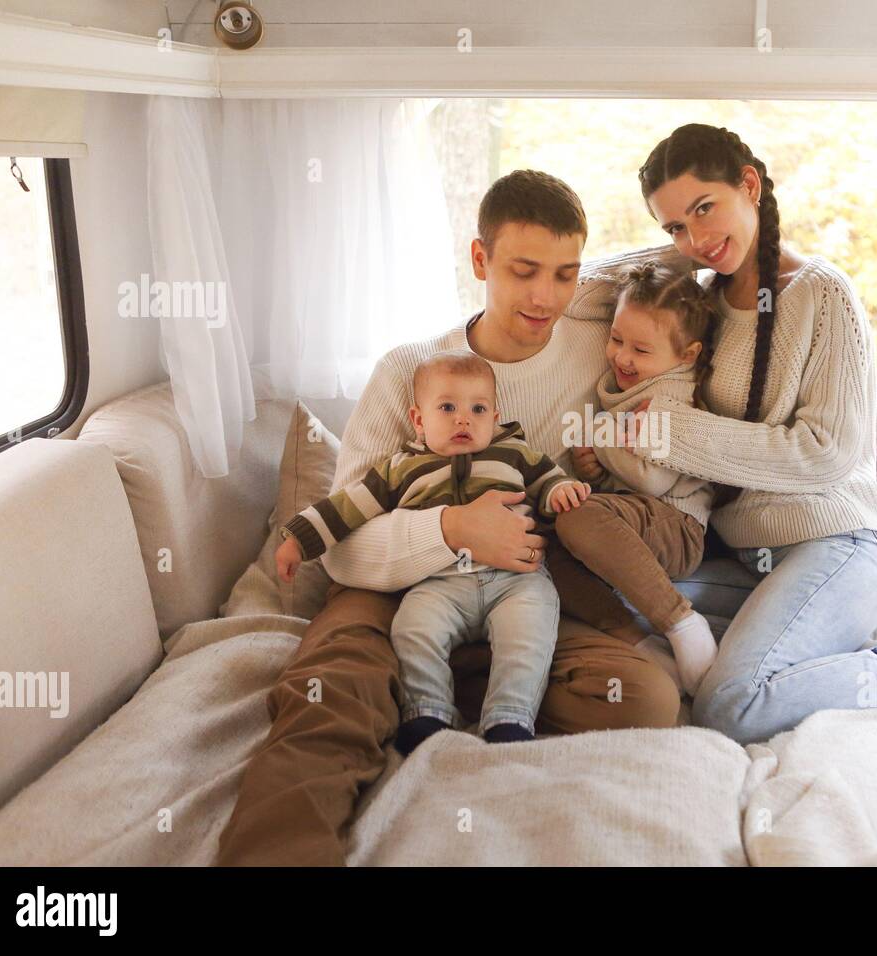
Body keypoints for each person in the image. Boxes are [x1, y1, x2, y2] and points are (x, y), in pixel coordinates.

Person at [216, 170, 683, 866]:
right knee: (327, 700)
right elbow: (344, 549)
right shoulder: (411, 369)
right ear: (478, 261)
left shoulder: (600, 353)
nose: (544, 297)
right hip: (392, 592)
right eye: (523, 271)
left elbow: (668, 276)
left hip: (519, 593)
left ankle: (453, 691)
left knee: (646, 696)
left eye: (565, 275)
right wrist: (452, 530)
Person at [600, 123, 877, 745]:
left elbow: (824, 455)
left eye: (704, 209)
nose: (694, 240)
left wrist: (667, 433)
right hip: (749, 559)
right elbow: (606, 285)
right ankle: (797, 647)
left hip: (840, 546)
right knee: (608, 585)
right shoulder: (699, 300)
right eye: (673, 228)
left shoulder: (823, 295)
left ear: (749, 185)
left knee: (732, 704)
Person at [275, 349, 592, 754]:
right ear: (419, 420)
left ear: (494, 419)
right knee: (412, 629)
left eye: (478, 409)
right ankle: (428, 711)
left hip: (516, 581)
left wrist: (561, 491)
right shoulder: (401, 469)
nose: (464, 419)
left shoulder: (514, 452)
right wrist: (299, 540)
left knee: (529, 635)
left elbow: (548, 482)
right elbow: (346, 509)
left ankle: (509, 718)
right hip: (440, 582)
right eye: (447, 408)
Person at [548, 261, 721, 695]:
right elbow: (626, 478)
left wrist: (597, 435)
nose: (623, 357)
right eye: (617, 339)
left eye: (641, 350)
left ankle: (681, 621)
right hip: (635, 519)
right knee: (544, 542)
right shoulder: (630, 387)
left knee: (575, 515)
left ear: (687, 355)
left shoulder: (671, 396)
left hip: (677, 525)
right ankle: (638, 640)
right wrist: (596, 469)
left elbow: (652, 481)